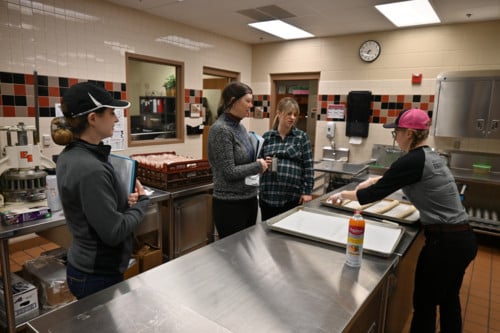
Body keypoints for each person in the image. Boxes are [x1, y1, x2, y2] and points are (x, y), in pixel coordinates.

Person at [328, 108, 477, 333]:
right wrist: (374, 181)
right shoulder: (430, 155)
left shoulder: (412, 160)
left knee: (425, 306)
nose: (395, 137)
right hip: (463, 239)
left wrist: (341, 195)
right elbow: (394, 177)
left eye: (396, 132)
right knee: (448, 300)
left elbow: (371, 196)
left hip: (444, 244)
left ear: (408, 133)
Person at [53, 82, 150, 299]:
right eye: (111, 112)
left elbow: (93, 209)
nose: (116, 119)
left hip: (83, 266)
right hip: (97, 275)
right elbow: (113, 232)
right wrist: (142, 203)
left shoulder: (71, 154)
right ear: (92, 118)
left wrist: (122, 204)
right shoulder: (90, 167)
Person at [207, 81, 268, 238]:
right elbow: (229, 172)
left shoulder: (240, 128)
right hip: (230, 205)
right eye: (247, 101)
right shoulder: (220, 130)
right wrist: (257, 166)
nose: (250, 105)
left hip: (249, 199)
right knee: (232, 258)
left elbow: (244, 163)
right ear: (232, 101)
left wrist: (258, 162)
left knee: (246, 255)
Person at [259, 97, 314, 221]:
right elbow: (258, 164)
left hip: (292, 197)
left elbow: (308, 167)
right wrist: (262, 164)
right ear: (279, 113)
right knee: (267, 234)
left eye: (295, 114)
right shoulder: (267, 137)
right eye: (289, 113)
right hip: (268, 196)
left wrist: (307, 191)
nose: (293, 117)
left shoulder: (301, 137)